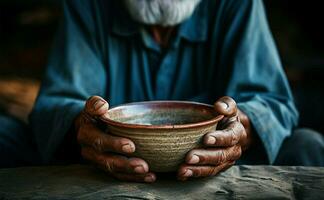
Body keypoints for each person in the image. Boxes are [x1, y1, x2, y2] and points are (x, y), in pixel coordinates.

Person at [27, 0, 324, 182]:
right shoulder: (89, 5)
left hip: (217, 170)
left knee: (307, 146)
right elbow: (57, 104)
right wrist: (84, 127)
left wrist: (240, 131)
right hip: (110, 173)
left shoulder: (237, 3)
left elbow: (273, 102)